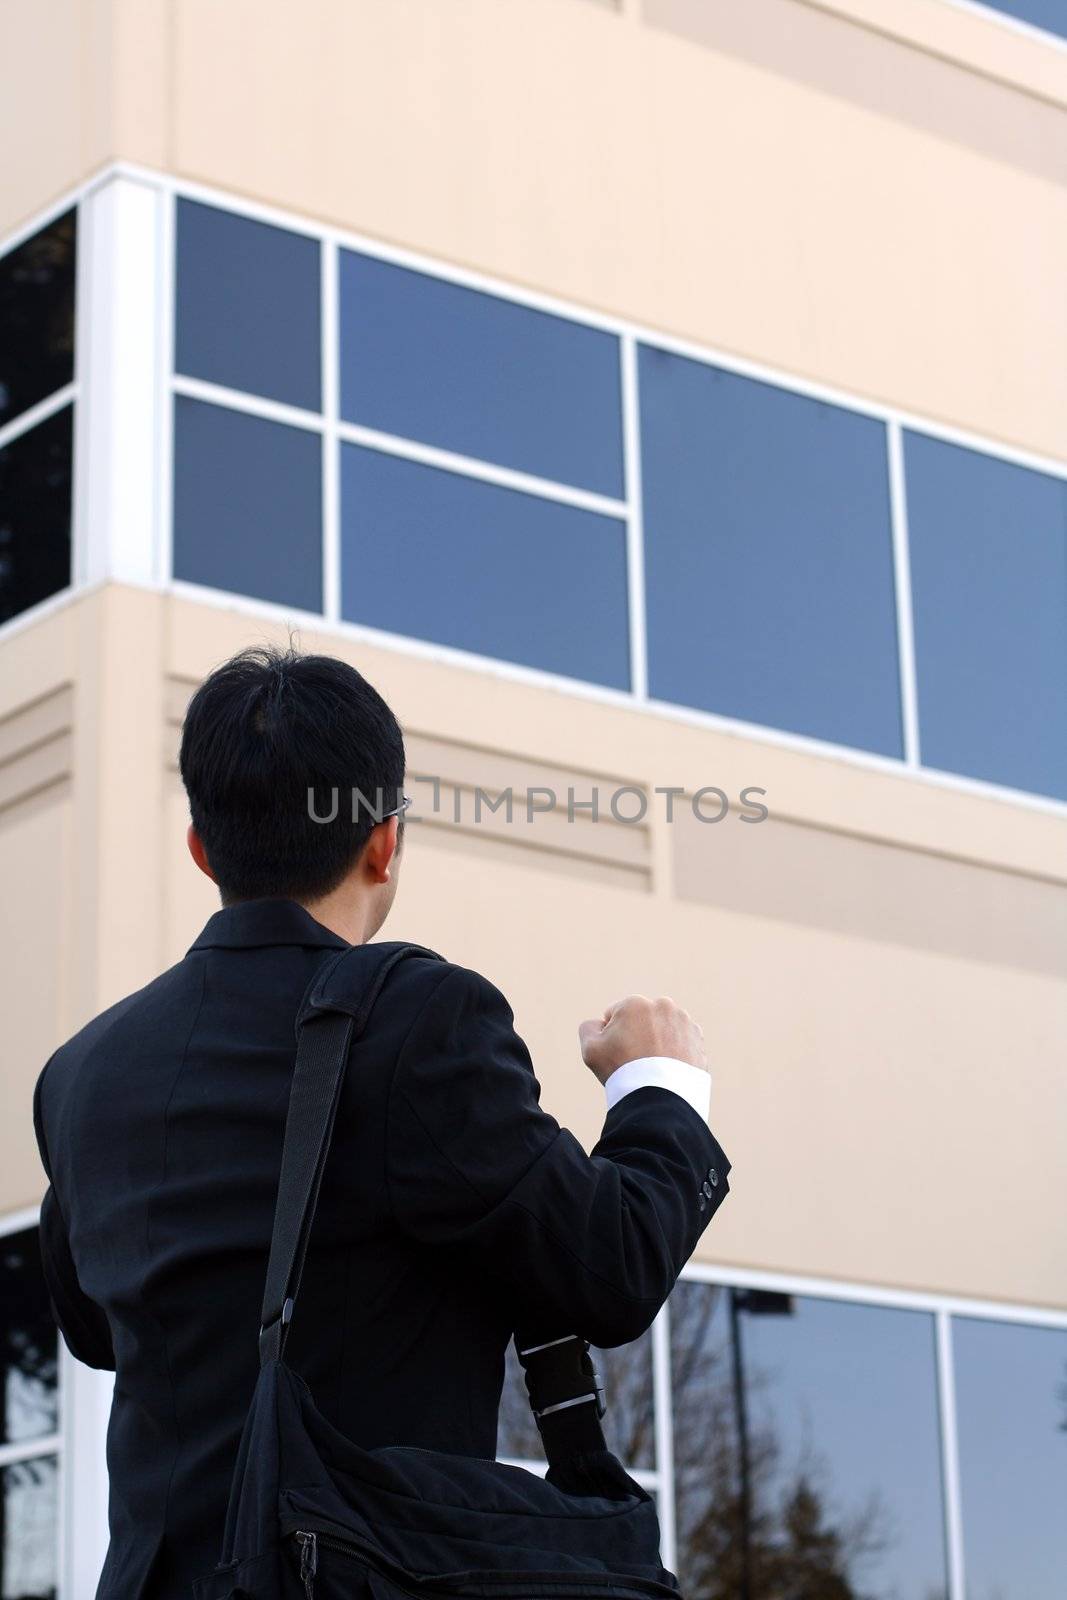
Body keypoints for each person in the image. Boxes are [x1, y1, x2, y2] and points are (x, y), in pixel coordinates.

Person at [32, 645, 731, 1600]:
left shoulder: (78, 1075)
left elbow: (96, 1331)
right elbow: (609, 1267)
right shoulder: (417, 1021)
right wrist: (658, 1084)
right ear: (383, 842)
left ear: (200, 848)